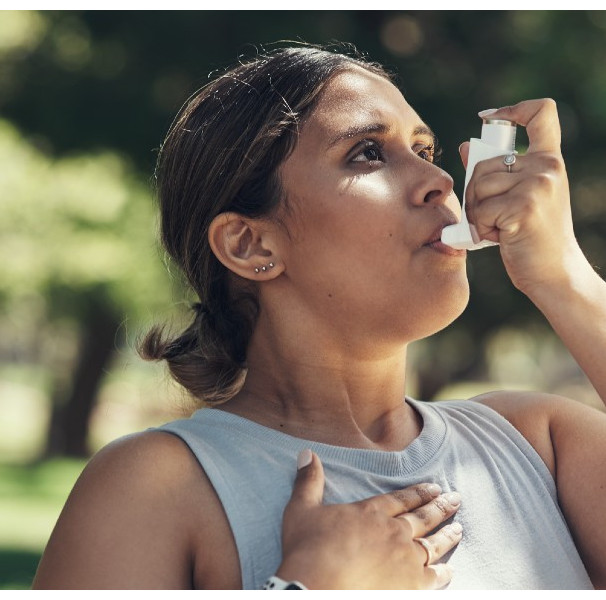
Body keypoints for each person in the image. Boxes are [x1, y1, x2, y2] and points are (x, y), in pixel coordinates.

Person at [33, 44, 606, 590]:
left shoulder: (539, 443)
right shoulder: (155, 488)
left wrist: (562, 278)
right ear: (250, 245)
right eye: (368, 153)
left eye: (425, 152)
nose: (441, 182)